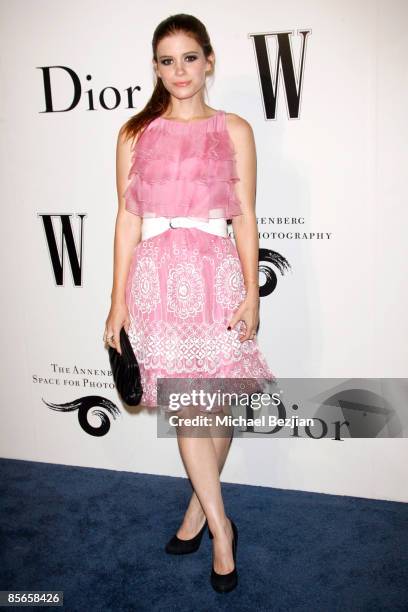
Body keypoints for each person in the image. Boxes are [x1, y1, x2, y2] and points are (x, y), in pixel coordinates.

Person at [103, 13, 275, 593]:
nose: (179, 70)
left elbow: (245, 216)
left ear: (209, 61)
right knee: (189, 408)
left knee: (217, 403)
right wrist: (115, 303)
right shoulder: (135, 133)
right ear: (155, 67)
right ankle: (223, 531)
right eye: (167, 60)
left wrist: (252, 293)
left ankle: (198, 511)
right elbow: (127, 218)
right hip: (157, 276)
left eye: (189, 57)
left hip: (218, 272)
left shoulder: (236, 129)